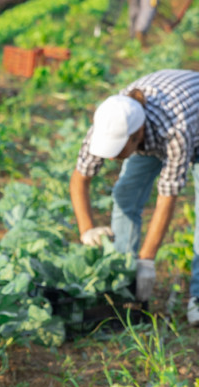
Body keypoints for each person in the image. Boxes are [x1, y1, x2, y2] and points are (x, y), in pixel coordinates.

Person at [69, 69, 199, 324]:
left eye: (117, 151)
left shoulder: (174, 130)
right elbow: (79, 179)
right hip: (162, 120)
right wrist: (86, 230)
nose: (110, 158)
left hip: (193, 119)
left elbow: (167, 196)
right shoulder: (110, 119)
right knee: (125, 194)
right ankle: (122, 283)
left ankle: (198, 295)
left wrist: (147, 260)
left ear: (137, 135)